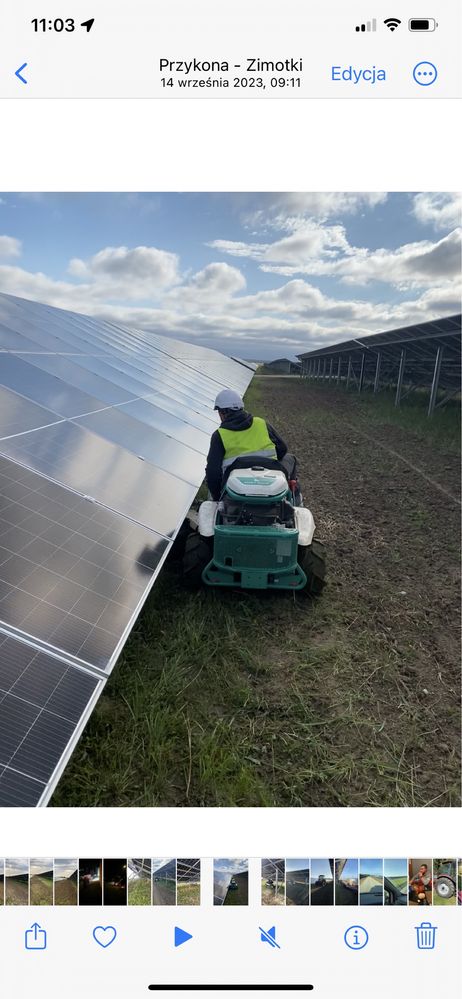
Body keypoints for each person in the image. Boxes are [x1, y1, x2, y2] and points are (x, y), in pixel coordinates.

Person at [205, 388, 297, 501]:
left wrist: (217, 498)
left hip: (234, 486)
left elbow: (213, 472)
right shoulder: (261, 423)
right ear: (241, 408)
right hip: (271, 475)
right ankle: (294, 500)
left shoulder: (219, 435)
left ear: (222, 413)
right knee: (290, 458)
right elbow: (282, 449)